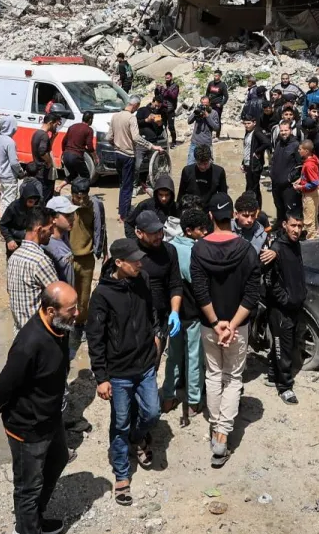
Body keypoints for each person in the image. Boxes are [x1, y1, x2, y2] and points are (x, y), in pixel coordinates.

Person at [0, 280, 79, 534]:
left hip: (51, 417)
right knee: (29, 487)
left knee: (59, 460)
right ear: (50, 311)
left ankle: (30, 522)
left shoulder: (60, 328)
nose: (77, 313)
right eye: (71, 308)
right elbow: (6, 381)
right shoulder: (29, 342)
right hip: (27, 427)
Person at [87, 236, 165, 506]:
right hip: (118, 372)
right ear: (119, 263)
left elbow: (152, 310)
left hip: (145, 364)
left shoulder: (141, 280)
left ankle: (138, 436)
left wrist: (156, 334)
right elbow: (95, 338)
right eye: (134, 260)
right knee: (119, 422)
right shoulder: (102, 295)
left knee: (152, 412)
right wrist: (101, 378)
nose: (139, 263)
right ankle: (122, 474)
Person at [191, 193, 264, 467]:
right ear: (232, 215)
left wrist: (215, 322)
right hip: (238, 327)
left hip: (210, 326)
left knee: (213, 374)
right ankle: (221, 436)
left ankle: (214, 426)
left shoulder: (199, 249)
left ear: (210, 216)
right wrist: (232, 325)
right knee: (233, 378)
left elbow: (199, 290)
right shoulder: (246, 250)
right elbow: (252, 293)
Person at [159, 206, 204, 419]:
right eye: (200, 229)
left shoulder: (168, 248)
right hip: (192, 313)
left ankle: (168, 397)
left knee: (173, 356)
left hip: (173, 312)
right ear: (188, 230)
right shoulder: (194, 251)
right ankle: (194, 401)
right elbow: (197, 283)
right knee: (194, 356)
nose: (203, 233)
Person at [261, 207, 305, 404]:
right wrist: (285, 300)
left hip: (294, 306)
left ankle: (273, 373)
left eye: (300, 226)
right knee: (283, 347)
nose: (296, 230)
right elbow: (270, 282)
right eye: (293, 225)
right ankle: (285, 386)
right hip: (281, 310)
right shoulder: (276, 249)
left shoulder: (295, 245)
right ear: (285, 225)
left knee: (286, 344)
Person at [6, 208, 60, 329]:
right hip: (37, 334)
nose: (52, 232)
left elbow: (10, 290)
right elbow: (59, 297)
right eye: (50, 228)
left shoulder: (14, 257)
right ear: (40, 230)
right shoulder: (40, 261)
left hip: (20, 333)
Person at [68, 178, 108, 311]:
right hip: (67, 259)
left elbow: (101, 229)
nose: (81, 201)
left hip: (86, 259)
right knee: (66, 296)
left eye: (84, 198)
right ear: (72, 194)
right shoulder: (64, 207)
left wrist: (105, 253)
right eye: (77, 197)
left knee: (84, 298)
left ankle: (80, 324)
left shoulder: (95, 206)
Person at [110, 99, 144, 221]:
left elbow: (109, 137)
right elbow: (136, 137)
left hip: (117, 155)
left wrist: (116, 145)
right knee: (127, 186)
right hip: (128, 156)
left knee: (122, 184)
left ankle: (123, 209)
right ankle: (124, 216)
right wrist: (150, 146)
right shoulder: (131, 118)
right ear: (136, 106)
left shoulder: (115, 116)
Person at [268, 119, 302, 226]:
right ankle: (279, 227)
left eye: (285, 130)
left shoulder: (296, 145)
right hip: (276, 184)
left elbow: (300, 165)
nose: (283, 133)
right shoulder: (278, 143)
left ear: (290, 131)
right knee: (278, 207)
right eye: (281, 130)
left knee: (290, 210)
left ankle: (289, 231)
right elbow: (273, 160)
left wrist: (289, 178)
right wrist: (271, 173)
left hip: (288, 186)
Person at [0, 179, 48, 252]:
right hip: (15, 241)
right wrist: (9, 239)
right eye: (30, 202)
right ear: (24, 199)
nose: (32, 204)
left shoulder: (37, 207)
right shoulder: (14, 207)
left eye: (35, 202)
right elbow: (3, 224)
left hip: (31, 242)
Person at [44, 197, 78, 288]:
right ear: (54, 218)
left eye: (72, 214)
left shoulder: (65, 235)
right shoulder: (47, 246)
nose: (73, 219)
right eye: (67, 215)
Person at [293, 139, 319, 239]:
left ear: (306, 151)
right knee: (314, 216)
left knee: (308, 220)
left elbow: (315, 182)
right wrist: (300, 179)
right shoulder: (313, 159)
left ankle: (311, 239)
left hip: (310, 195)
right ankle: (316, 234)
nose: (298, 151)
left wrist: (301, 187)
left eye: (300, 149)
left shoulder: (308, 165)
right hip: (315, 193)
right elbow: (309, 176)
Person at [240, 116, 271, 207]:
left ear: (254, 123)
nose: (246, 125)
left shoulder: (257, 132)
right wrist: (243, 162)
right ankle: (250, 207)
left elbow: (267, 143)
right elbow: (247, 149)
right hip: (248, 163)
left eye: (248, 123)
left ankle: (256, 208)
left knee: (254, 188)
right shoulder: (248, 132)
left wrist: (258, 151)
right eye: (245, 123)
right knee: (249, 187)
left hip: (255, 165)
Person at [0, 115, 26, 207]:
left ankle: (2, 219)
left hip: (2, 174)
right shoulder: (10, 142)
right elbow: (14, 162)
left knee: (4, 199)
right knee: (10, 202)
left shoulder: (0, 138)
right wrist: (21, 172)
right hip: (9, 176)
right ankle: (7, 221)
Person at [30, 113, 62, 194]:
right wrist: (49, 162)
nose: (56, 127)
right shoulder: (44, 136)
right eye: (55, 124)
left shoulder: (37, 133)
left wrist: (53, 138)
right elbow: (42, 152)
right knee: (46, 195)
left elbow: (46, 148)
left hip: (38, 171)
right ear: (50, 123)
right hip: (44, 172)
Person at [61, 111, 96, 185]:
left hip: (66, 156)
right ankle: (83, 195)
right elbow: (89, 146)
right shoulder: (89, 130)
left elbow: (64, 141)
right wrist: (95, 157)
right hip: (76, 157)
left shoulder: (72, 126)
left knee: (73, 175)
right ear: (90, 119)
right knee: (86, 177)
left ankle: (59, 187)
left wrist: (63, 153)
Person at [153, 72, 181, 146]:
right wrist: (157, 88)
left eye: (168, 78)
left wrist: (166, 89)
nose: (167, 79)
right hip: (161, 109)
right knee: (161, 125)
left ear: (171, 77)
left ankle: (174, 141)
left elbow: (174, 96)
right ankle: (164, 141)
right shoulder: (163, 86)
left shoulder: (175, 86)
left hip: (170, 109)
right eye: (166, 78)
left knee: (171, 127)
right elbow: (157, 96)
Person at [205, 70, 228, 135]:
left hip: (218, 105)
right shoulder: (211, 83)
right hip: (210, 105)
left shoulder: (223, 85)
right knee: (208, 118)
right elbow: (207, 93)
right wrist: (206, 101)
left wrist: (221, 104)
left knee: (217, 119)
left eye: (217, 76)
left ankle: (217, 135)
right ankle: (209, 134)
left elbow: (226, 97)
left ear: (220, 76)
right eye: (214, 75)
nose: (215, 77)